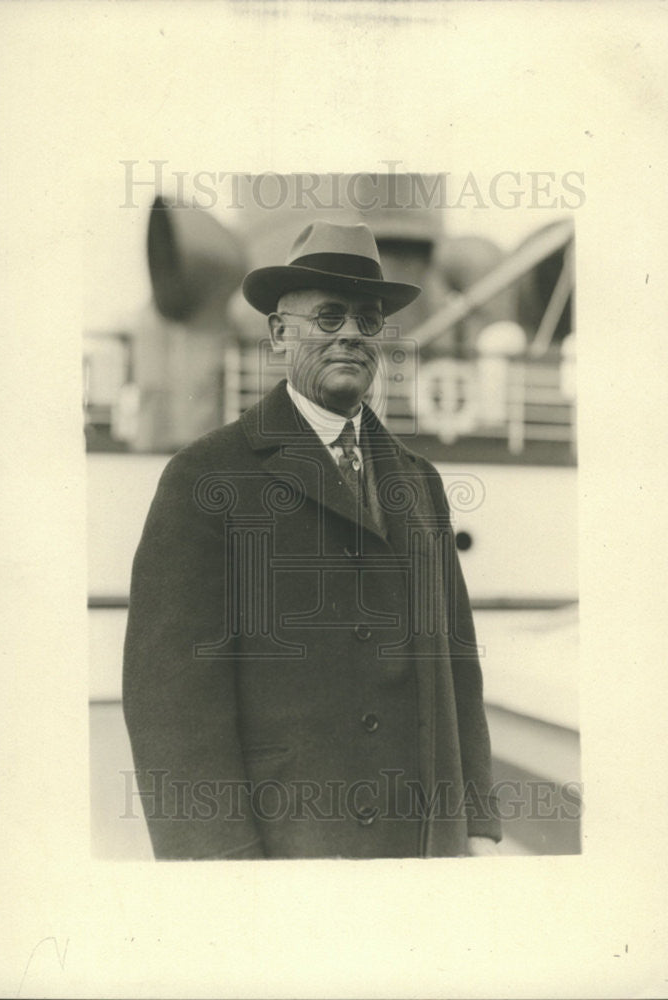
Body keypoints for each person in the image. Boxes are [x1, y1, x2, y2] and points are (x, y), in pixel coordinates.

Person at [123, 220, 501, 859]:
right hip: (287, 858)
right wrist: (222, 875)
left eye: (368, 319)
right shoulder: (205, 478)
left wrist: (478, 826)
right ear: (279, 333)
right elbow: (171, 706)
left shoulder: (421, 483)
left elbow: (459, 668)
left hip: (422, 855)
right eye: (328, 316)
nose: (351, 333)